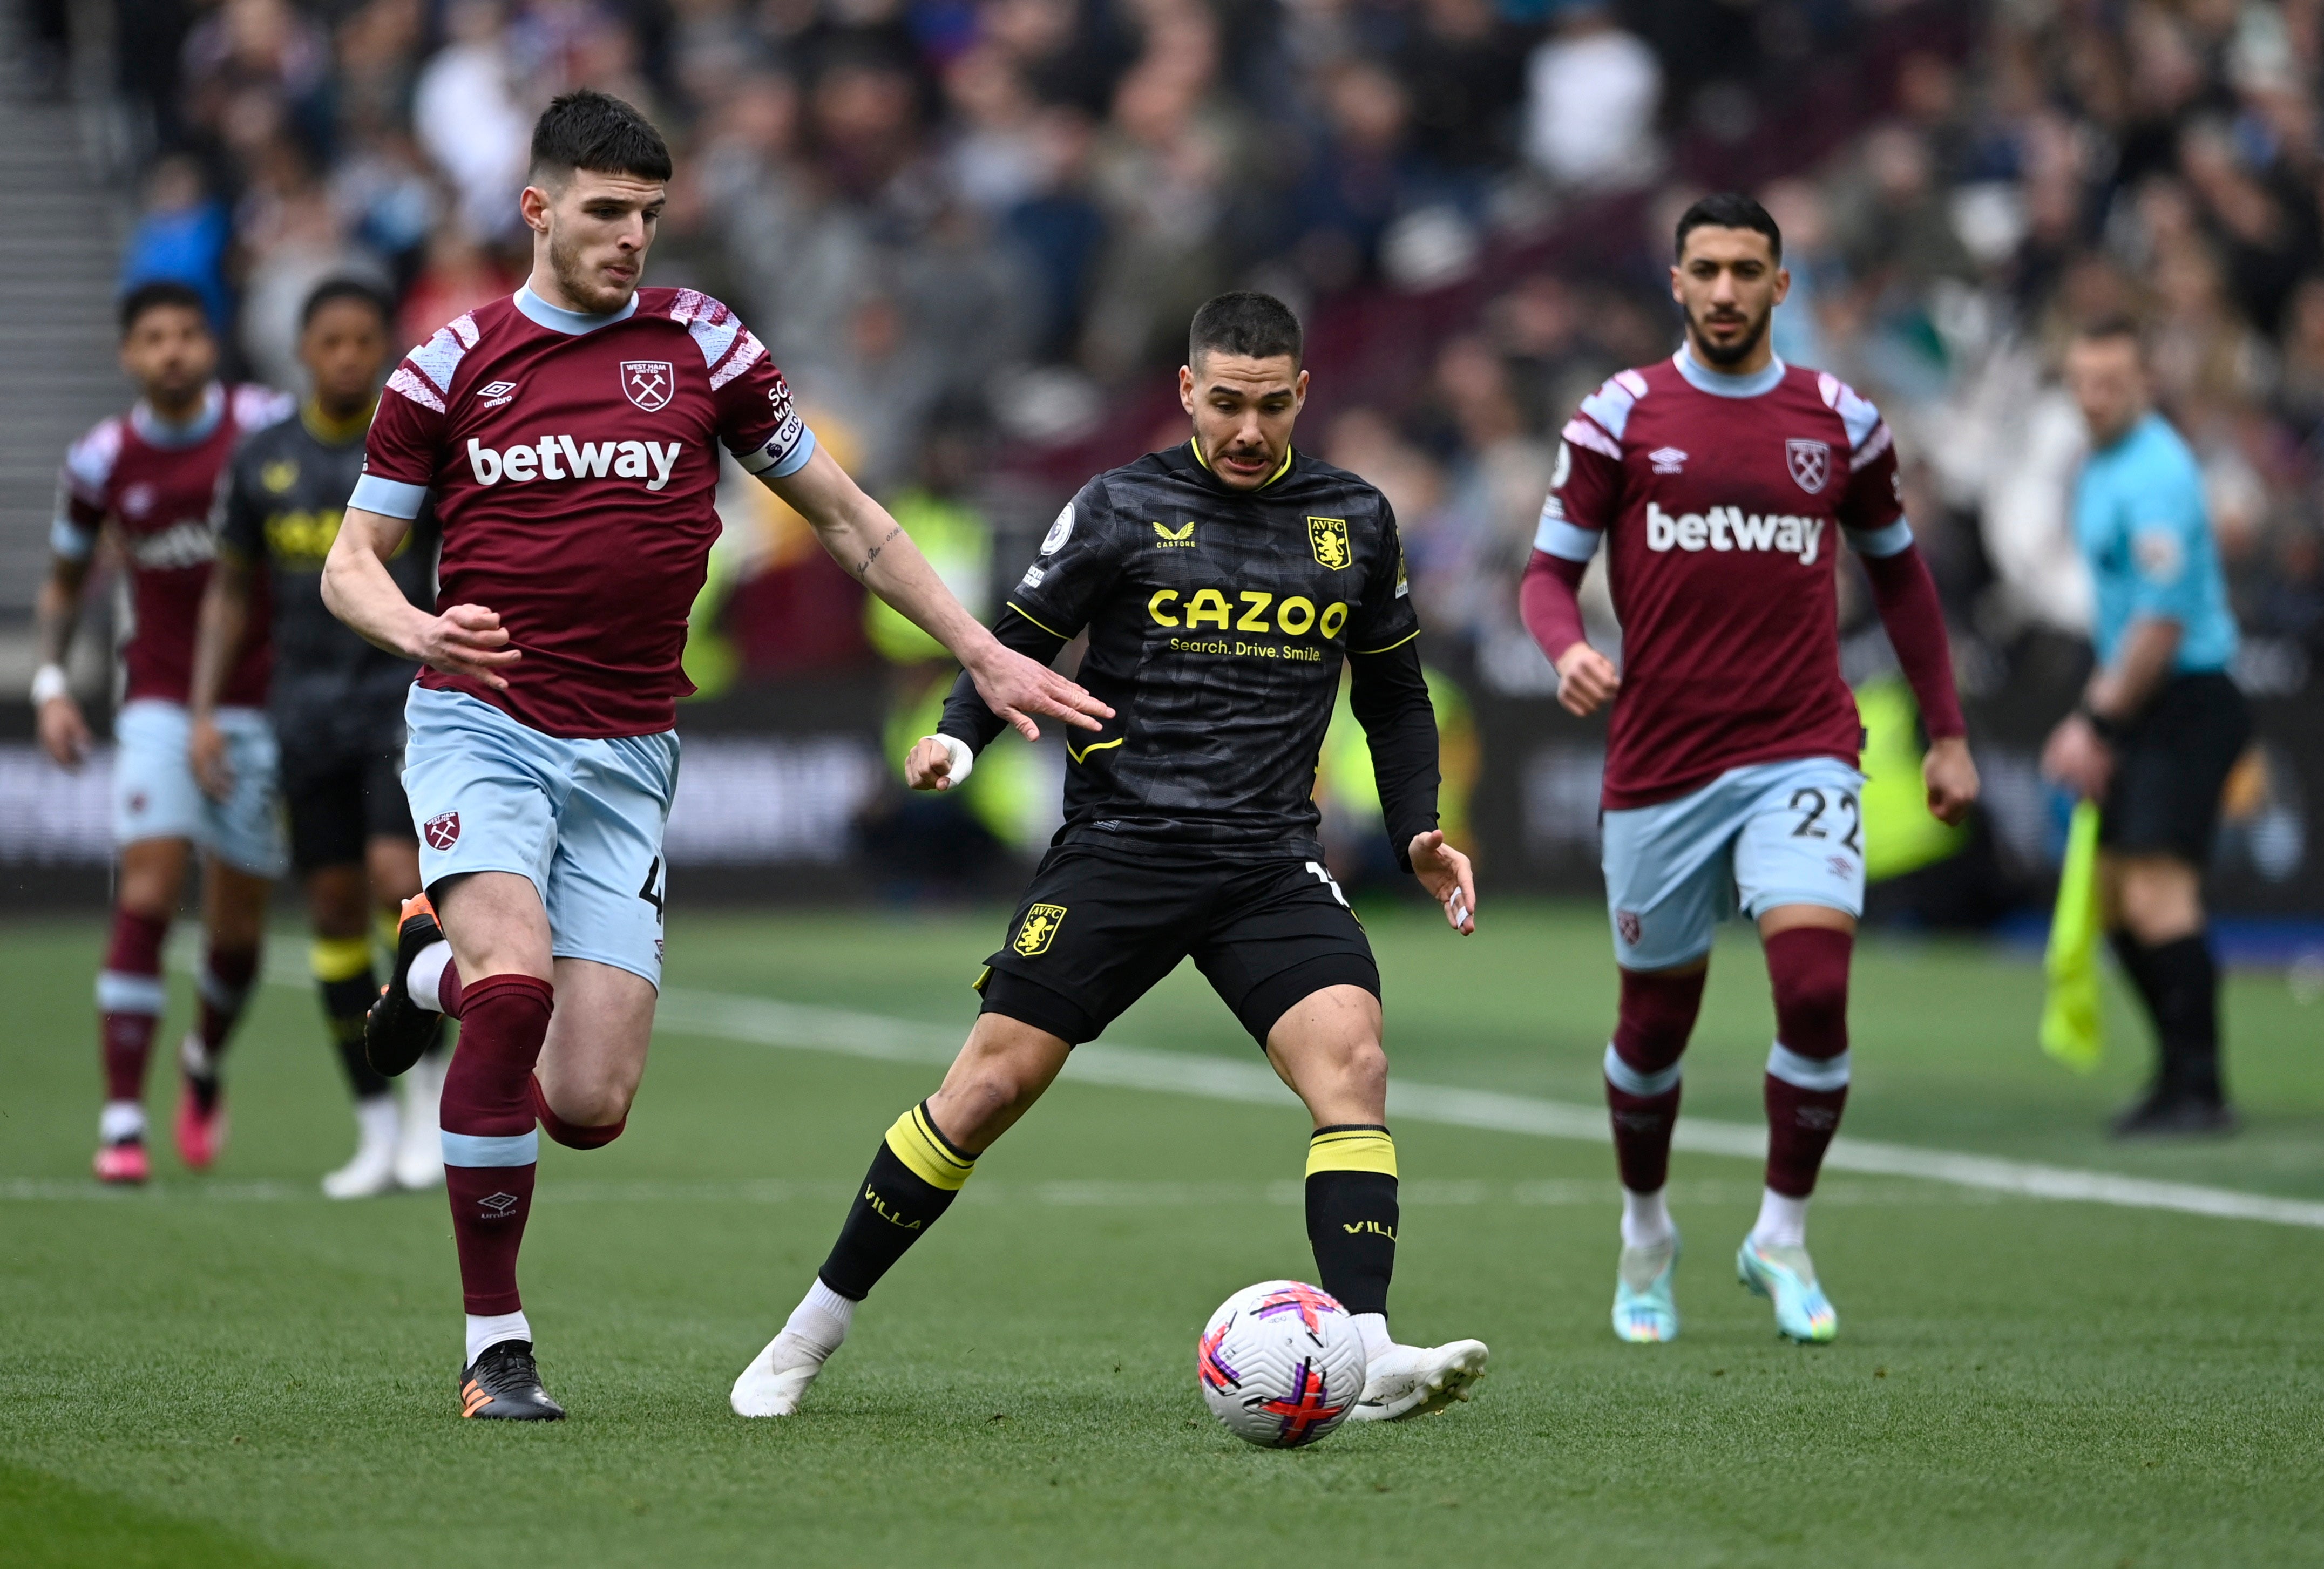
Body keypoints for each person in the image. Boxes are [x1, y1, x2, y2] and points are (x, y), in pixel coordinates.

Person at [323, 89, 1102, 1422]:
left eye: (649, 215)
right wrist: (417, 627)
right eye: (606, 212)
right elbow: (353, 564)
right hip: (483, 720)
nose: (632, 237)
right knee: (516, 996)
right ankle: (495, 1346)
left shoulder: (704, 345)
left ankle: (427, 961)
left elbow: (850, 522)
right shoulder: (448, 365)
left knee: (588, 1101)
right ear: (539, 208)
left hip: (627, 747)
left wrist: (978, 649)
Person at [731, 291, 1492, 1427]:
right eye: (1224, 403)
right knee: (984, 1088)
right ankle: (807, 1331)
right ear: (1186, 391)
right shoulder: (1120, 505)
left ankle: (1367, 1347)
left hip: (1267, 859)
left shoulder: (1353, 518)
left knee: (1354, 1067)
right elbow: (1014, 644)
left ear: (1301, 395)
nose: (1246, 428)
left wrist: (1417, 825)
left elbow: (1391, 695)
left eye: (1269, 405)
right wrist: (952, 733)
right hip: (1122, 846)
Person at [1519, 194, 1979, 1345]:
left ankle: (1780, 1230)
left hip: (1800, 746)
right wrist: (1566, 645)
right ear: (1675, 282)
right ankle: (1644, 1231)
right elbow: (1540, 574)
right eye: (1705, 269)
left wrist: (1947, 730)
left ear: (1783, 284)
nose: (1724, 290)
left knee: (1816, 993)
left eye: (1747, 270)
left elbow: (1902, 580)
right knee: (1652, 1028)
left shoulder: (1838, 419)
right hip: (1660, 763)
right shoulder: (1619, 415)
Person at [191, 277, 449, 1200]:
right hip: (302, 709)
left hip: (399, 697)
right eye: (330, 341)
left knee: (397, 885)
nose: (346, 356)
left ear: (383, 349)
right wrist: (202, 708)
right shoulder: (261, 461)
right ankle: (374, 1125)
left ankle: (426, 1098)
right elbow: (229, 593)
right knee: (334, 909)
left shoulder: (413, 452)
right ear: (304, 351)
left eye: (362, 341)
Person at [38, 281, 293, 1186]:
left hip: (264, 700)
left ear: (210, 345)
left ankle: (205, 1063)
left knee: (238, 935)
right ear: (129, 357)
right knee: (145, 893)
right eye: (154, 339)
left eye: (188, 334)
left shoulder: (267, 423)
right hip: (153, 695)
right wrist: (52, 685)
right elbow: (66, 583)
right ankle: (120, 1122)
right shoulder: (104, 459)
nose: (173, 351)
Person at [2041, 320, 2250, 1136]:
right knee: (2117, 903)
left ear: (2144, 384)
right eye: (2082, 382)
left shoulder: (2155, 473)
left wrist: (2094, 720)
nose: (2094, 398)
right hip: (2144, 699)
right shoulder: (2099, 466)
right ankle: (2175, 1074)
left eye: (2112, 382)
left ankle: (2201, 1087)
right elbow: (2125, 619)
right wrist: (2095, 714)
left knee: (2158, 893)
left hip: (2188, 699)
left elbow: (2161, 624)